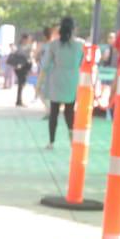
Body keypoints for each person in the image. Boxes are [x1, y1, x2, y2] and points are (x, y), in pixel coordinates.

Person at [40, 16, 83, 149]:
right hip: (72, 80)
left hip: (56, 79)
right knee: (70, 111)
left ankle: (51, 142)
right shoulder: (79, 45)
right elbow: (81, 63)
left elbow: (45, 64)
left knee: (54, 112)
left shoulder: (53, 45)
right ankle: (72, 138)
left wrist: (39, 83)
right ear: (74, 29)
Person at [8, 33, 33, 107]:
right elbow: (15, 56)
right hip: (20, 67)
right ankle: (19, 100)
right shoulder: (19, 47)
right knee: (21, 83)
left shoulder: (28, 47)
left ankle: (19, 100)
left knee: (22, 83)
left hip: (25, 67)